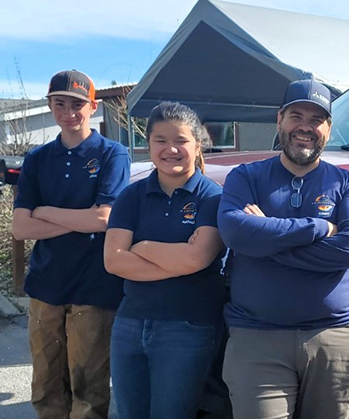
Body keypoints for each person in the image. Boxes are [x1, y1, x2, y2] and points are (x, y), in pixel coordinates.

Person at [217, 79, 349, 419]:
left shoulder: (347, 184)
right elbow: (234, 231)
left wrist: (266, 240)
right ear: (279, 120)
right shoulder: (246, 177)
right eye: (296, 116)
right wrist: (319, 228)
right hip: (257, 336)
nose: (305, 127)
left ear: (328, 128)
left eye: (316, 120)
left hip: (334, 336)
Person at [11, 69, 129, 419]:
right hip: (45, 285)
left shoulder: (112, 154)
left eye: (77, 104)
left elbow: (104, 219)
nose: (68, 112)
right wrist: (81, 218)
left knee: (89, 389)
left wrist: (45, 212)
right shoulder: (37, 159)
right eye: (60, 103)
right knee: (46, 386)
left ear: (92, 106)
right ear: (50, 106)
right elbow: (21, 227)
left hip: (93, 286)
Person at [103, 101, 226, 419]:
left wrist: (141, 246)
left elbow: (197, 258)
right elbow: (114, 261)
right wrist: (178, 260)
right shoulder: (131, 196)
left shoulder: (212, 198)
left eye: (181, 140)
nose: (170, 149)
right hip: (130, 325)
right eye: (161, 140)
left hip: (188, 327)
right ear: (148, 145)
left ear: (197, 145)